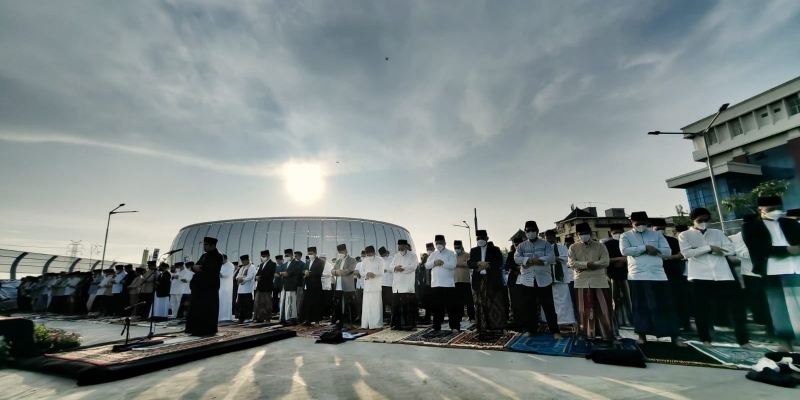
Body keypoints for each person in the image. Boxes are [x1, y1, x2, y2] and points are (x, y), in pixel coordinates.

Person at [680, 207, 752, 348]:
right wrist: (710, 248)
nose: (704, 223)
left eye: (707, 220)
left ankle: (744, 341)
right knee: (702, 311)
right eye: (700, 221)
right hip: (699, 276)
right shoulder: (685, 235)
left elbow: (730, 249)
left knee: (736, 309)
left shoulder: (717, 233)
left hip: (722, 274)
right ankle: (705, 339)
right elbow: (687, 253)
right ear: (692, 221)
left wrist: (707, 251)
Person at [742, 196, 800, 351]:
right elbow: (758, 249)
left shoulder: (790, 222)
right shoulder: (751, 227)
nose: (775, 212)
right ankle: (785, 343)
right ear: (760, 209)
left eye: (777, 208)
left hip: (796, 268)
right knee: (779, 309)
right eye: (771, 209)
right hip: (773, 271)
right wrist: (786, 250)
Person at [621, 211, 685, 347]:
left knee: (665, 305)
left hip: (658, 275)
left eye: (644, 223)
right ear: (631, 223)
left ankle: (674, 336)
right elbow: (625, 251)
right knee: (640, 306)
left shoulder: (656, 235)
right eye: (638, 224)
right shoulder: (625, 236)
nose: (641, 226)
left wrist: (646, 250)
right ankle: (642, 335)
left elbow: (667, 251)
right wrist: (645, 248)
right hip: (637, 275)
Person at [569, 223, 618, 342]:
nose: (583, 236)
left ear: (590, 233)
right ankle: (586, 335)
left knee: (603, 309)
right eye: (581, 234)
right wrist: (588, 264)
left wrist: (587, 265)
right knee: (584, 310)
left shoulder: (600, 246)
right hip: (581, 282)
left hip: (599, 281)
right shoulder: (573, 247)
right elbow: (572, 263)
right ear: (577, 235)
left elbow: (605, 262)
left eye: (585, 233)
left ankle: (606, 335)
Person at [514, 221, 560, 338]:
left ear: (537, 231)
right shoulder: (521, 246)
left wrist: (531, 261)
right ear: (525, 232)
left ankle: (555, 331)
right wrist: (532, 260)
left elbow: (550, 257)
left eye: (533, 230)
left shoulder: (546, 244)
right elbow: (517, 259)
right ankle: (531, 330)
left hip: (544, 280)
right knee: (529, 307)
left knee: (548, 306)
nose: (530, 232)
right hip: (527, 280)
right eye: (528, 230)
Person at [729, 214, 773, 330]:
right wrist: (759, 251)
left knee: (770, 298)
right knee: (757, 299)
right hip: (751, 273)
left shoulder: (766, 232)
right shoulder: (737, 237)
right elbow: (741, 253)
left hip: (769, 270)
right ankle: (762, 322)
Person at [650, 218, 691, 332]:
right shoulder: (649, 243)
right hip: (657, 275)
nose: (660, 231)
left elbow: (682, 254)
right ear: (652, 229)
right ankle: (664, 325)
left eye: (662, 229)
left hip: (674, 274)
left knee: (679, 300)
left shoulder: (672, 240)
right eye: (657, 229)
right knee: (660, 301)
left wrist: (671, 257)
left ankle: (684, 324)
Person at [468, 230, 507, 332]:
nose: (480, 240)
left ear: (487, 238)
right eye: (478, 238)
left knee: (495, 304)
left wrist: (488, 265)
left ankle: (499, 327)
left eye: (482, 238)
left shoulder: (495, 249)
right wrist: (478, 264)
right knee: (479, 304)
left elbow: (499, 263)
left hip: (492, 280)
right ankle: (480, 326)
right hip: (479, 281)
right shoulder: (474, 250)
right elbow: (470, 263)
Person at [185, 237, 224, 336]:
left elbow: (206, 268)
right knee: (197, 308)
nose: (204, 247)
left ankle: (207, 329)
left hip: (209, 286)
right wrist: (196, 267)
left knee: (207, 308)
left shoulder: (218, 256)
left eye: (206, 245)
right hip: (199, 286)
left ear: (212, 245)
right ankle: (195, 329)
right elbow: (196, 267)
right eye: (204, 245)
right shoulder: (204, 256)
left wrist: (196, 267)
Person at [425, 234, 460, 332]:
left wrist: (442, 263)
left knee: (451, 307)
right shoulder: (433, 254)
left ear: (445, 243)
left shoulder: (450, 253)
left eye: (440, 243)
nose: (438, 244)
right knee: (436, 308)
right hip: (436, 284)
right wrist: (434, 263)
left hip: (448, 285)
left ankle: (454, 327)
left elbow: (453, 265)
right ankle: (436, 326)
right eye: (437, 243)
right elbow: (427, 265)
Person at [544, 230, 575, 326]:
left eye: (550, 236)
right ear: (545, 238)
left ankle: (566, 320)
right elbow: (542, 260)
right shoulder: (543, 249)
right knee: (551, 301)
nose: (549, 238)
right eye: (547, 236)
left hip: (561, 277)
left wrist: (551, 259)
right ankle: (553, 321)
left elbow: (566, 258)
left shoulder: (562, 247)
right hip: (547, 278)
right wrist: (555, 259)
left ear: (554, 237)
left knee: (564, 300)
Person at [604, 224, 632, 327]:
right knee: (614, 299)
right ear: (610, 233)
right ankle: (616, 321)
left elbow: (632, 256)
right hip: (612, 275)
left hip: (627, 274)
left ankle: (630, 319)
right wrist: (620, 259)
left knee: (628, 298)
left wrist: (623, 261)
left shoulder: (628, 242)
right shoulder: (607, 244)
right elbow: (605, 260)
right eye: (615, 233)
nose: (617, 235)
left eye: (619, 232)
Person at [389, 239, 418, 330]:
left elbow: (413, 267)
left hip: (407, 285)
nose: (399, 248)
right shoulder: (396, 256)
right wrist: (395, 267)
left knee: (408, 307)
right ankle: (397, 325)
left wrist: (402, 268)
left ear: (406, 246)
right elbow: (391, 267)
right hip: (397, 285)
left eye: (401, 246)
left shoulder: (412, 255)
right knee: (396, 307)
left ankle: (410, 325)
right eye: (398, 246)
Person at [332, 244, 358, 329]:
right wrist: (335, 272)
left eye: (341, 252)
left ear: (346, 251)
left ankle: (349, 322)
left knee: (348, 305)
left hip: (347, 286)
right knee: (338, 304)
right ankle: (339, 321)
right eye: (339, 252)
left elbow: (350, 269)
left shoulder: (352, 260)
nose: (340, 253)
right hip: (338, 286)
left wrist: (341, 272)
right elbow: (332, 270)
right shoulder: (338, 261)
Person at [360, 246, 385, 329]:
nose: (369, 256)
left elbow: (381, 272)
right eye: (367, 255)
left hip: (376, 287)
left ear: (374, 253)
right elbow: (361, 272)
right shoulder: (364, 261)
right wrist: (367, 273)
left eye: (370, 254)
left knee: (375, 307)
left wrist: (372, 273)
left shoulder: (380, 260)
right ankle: (365, 324)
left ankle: (376, 325)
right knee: (366, 306)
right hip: (367, 287)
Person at [301, 247, 325, 326]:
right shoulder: (308, 262)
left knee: (316, 303)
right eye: (309, 253)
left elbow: (319, 272)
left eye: (311, 253)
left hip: (315, 286)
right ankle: (308, 319)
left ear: (315, 253)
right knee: (307, 304)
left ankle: (317, 321)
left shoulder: (320, 262)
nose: (310, 255)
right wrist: (305, 272)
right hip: (307, 285)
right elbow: (303, 270)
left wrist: (309, 273)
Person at [454, 240, 475, 324]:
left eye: (458, 247)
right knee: (458, 301)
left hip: (465, 281)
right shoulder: (454, 256)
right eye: (455, 248)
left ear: (461, 246)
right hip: (456, 281)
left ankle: (472, 317)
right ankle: (459, 317)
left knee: (469, 301)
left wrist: (458, 264)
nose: (456, 249)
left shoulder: (467, 255)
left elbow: (468, 264)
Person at [279, 249, 302, 325]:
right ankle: (283, 317)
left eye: (288, 255)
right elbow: (281, 272)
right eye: (285, 256)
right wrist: (281, 274)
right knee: (283, 302)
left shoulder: (296, 263)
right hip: (284, 285)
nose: (286, 257)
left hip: (292, 284)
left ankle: (292, 318)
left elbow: (296, 271)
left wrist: (287, 273)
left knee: (291, 302)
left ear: (291, 255)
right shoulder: (285, 264)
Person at [254, 250, 276, 323]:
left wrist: (260, 277)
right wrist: (256, 277)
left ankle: (267, 317)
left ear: (268, 256)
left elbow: (268, 274)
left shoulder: (272, 264)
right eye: (262, 256)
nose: (262, 258)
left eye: (264, 256)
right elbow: (257, 273)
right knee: (259, 302)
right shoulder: (261, 265)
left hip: (267, 286)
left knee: (267, 302)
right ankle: (259, 317)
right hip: (260, 286)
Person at [506, 236, 524, 325]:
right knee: (514, 302)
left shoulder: (526, 253)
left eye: (519, 244)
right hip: (514, 280)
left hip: (525, 280)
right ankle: (517, 321)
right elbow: (507, 264)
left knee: (525, 301)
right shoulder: (511, 253)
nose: (517, 246)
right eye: (516, 244)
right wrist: (516, 268)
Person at [417, 243, 435, 324]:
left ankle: (436, 318)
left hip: (434, 284)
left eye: (430, 249)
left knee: (434, 302)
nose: (429, 251)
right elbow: (421, 268)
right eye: (428, 249)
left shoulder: (436, 256)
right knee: (426, 302)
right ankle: (427, 318)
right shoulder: (426, 258)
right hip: (425, 285)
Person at [235, 255, 256, 323]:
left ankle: (247, 317)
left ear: (247, 260)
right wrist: (238, 278)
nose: (243, 262)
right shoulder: (242, 268)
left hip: (248, 289)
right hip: (241, 289)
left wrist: (242, 279)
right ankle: (241, 317)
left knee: (247, 305)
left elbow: (250, 277)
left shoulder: (251, 267)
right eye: (242, 261)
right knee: (240, 304)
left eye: (244, 261)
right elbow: (237, 275)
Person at [378, 247, 394, 322]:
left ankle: (392, 315)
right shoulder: (379, 260)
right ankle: (383, 316)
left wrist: (387, 270)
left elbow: (393, 269)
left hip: (389, 283)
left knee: (390, 300)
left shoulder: (391, 259)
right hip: (381, 283)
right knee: (382, 301)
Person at [218, 255, 235, 322]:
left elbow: (227, 274)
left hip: (227, 286)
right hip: (221, 285)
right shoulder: (221, 265)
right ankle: (220, 316)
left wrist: (221, 274)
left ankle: (226, 317)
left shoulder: (230, 265)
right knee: (220, 301)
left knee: (226, 301)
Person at [319, 253, 334, 319]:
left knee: (327, 301)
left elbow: (330, 274)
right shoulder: (319, 264)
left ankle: (327, 315)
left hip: (327, 285)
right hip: (320, 285)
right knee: (321, 301)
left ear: (325, 259)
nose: (321, 260)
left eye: (322, 258)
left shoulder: (329, 265)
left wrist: (322, 275)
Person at [353, 250, 366, 322]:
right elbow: (355, 272)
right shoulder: (358, 264)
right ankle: (359, 316)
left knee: (365, 302)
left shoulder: (368, 264)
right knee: (358, 301)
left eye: (364, 256)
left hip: (366, 286)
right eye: (362, 256)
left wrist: (360, 273)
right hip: (359, 286)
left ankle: (365, 317)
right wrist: (358, 273)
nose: (363, 257)